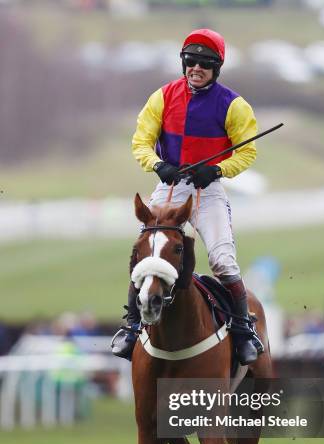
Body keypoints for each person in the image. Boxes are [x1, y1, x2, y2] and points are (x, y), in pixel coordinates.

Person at [112, 28, 263, 365]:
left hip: (207, 192)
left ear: (217, 68)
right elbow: (141, 142)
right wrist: (158, 165)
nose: (196, 68)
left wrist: (218, 170)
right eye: (190, 61)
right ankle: (132, 326)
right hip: (169, 188)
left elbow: (247, 152)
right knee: (146, 255)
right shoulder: (162, 97)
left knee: (223, 261)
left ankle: (242, 329)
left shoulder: (234, 105)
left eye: (204, 63)